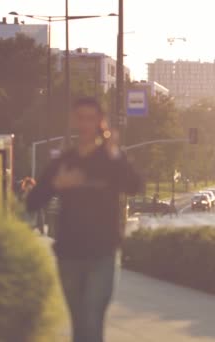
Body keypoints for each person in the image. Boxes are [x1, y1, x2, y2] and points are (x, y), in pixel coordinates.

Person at [27, 97, 144, 342]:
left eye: (91, 118)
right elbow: (33, 202)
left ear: (101, 122)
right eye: (80, 118)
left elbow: (135, 185)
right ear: (73, 120)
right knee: (80, 324)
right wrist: (56, 185)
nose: (85, 124)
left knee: (91, 319)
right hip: (69, 254)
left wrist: (115, 152)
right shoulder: (64, 161)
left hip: (103, 254)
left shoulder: (110, 159)